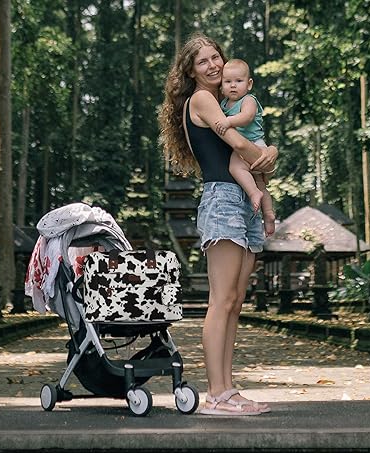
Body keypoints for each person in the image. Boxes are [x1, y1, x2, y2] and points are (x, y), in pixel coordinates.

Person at [159, 34, 277, 416]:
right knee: (221, 300)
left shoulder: (231, 102)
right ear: (191, 71)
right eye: (203, 61)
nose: (212, 65)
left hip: (245, 200)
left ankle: (228, 389)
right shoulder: (202, 99)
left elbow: (248, 146)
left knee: (235, 301)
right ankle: (215, 393)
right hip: (223, 201)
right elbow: (240, 145)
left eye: (216, 57)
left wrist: (267, 155)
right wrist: (269, 154)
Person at [215, 58, 276, 236]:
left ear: (249, 84)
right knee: (260, 183)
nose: (233, 85)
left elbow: (247, 117)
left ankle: (253, 193)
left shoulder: (249, 100)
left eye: (238, 81)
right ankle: (269, 215)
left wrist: (228, 121)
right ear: (221, 86)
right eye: (228, 81)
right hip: (244, 148)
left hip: (254, 144)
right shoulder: (223, 104)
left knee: (235, 167)